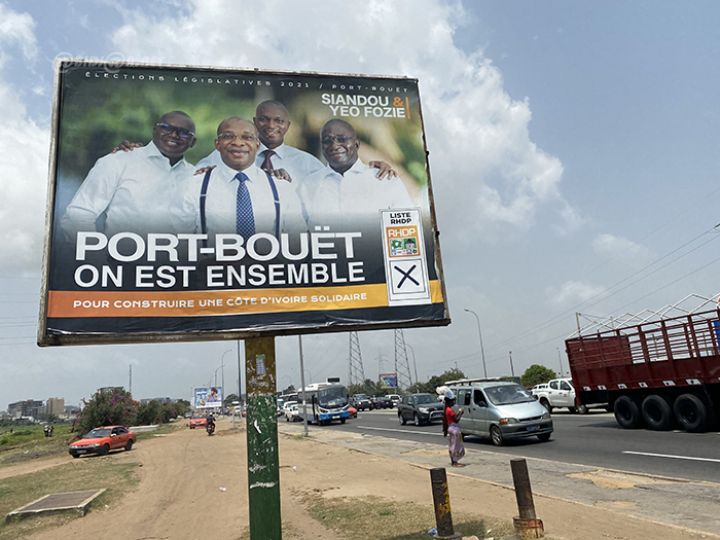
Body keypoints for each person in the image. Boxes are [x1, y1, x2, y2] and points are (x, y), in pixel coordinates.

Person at [60, 111, 197, 239]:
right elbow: (78, 215)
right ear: (155, 130)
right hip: (121, 262)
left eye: (184, 133)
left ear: (193, 142)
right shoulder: (118, 161)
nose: (174, 135)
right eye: (166, 128)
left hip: (180, 264)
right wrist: (98, 259)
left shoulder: (197, 177)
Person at [172, 117, 305, 238]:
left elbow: (298, 241)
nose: (238, 142)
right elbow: (179, 241)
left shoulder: (282, 188)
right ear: (217, 144)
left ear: (257, 145)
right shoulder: (193, 186)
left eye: (247, 137)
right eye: (229, 136)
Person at [305, 119, 414, 229]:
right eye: (327, 140)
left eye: (342, 139)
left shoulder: (387, 179)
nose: (335, 145)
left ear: (357, 144)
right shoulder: (309, 184)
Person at [442, 390, 465, 467]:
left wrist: (458, 412)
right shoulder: (449, 410)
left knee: (453, 445)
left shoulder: (447, 409)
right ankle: (454, 462)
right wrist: (461, 413)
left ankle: (454, 461)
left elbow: (454, 417)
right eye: (453, 400)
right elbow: (456, 419)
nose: (454, 402)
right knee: (455, 446)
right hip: (454, 429)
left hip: (451, 428)